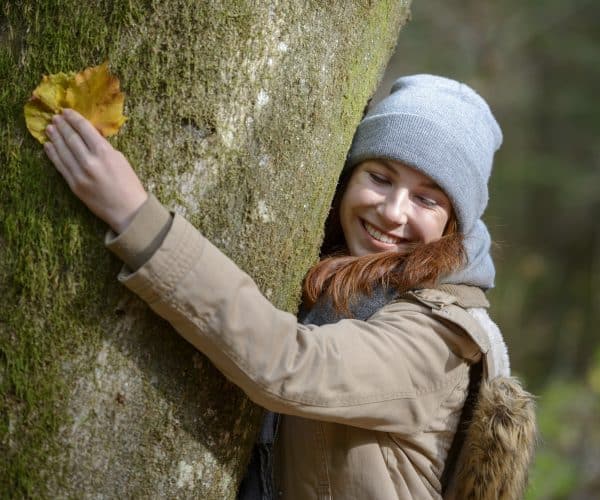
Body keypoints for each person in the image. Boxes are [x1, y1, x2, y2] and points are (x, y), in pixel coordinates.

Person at [43, 74, 536, 499]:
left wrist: (136, 217)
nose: (393, 211)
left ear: (454, 225)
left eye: (427, 200)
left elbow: (292, 364)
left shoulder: (441, 337)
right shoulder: (341, 280)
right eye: (381, 177)